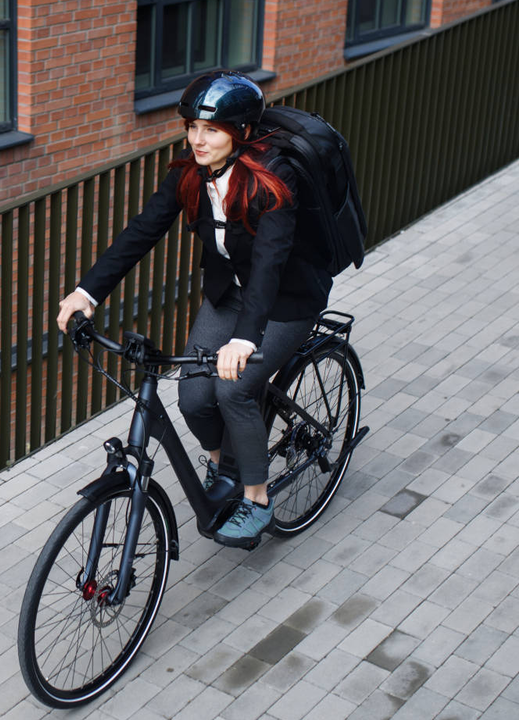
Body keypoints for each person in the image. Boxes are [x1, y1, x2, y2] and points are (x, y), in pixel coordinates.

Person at [56, 70, 332, 548]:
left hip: (285, 303)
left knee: (233, 392)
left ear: (240, 133)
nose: (197, 140)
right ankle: (221, 462)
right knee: (192, 398)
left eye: (211, 130)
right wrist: (86, 293)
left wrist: (245, 341)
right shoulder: (189, 174)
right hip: (229, 294)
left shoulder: (274, 178)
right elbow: (141, 231)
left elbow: (269, 265)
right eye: (191, 128)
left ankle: (257, 498)